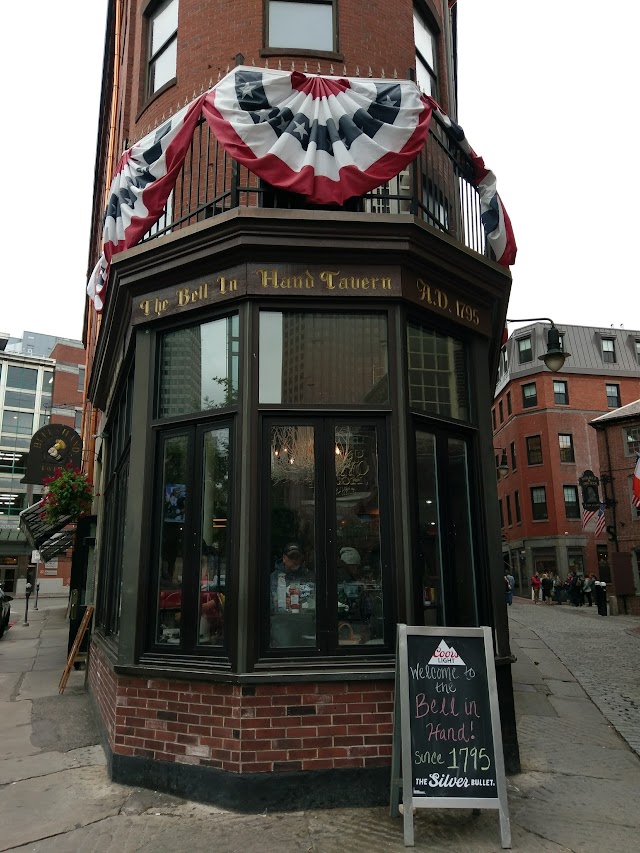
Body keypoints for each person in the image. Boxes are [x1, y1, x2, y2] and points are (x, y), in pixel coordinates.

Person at [270, 543, 316, 647]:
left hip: (307, 623)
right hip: (283, 623)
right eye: (291, 557)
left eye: (297, 557)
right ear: (284, 558)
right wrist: (279, 603)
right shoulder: (273, 579)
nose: (294, 561)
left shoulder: (309, 577)